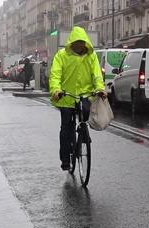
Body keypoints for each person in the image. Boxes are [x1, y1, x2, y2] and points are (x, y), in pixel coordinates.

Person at [49, 26, 106, 171]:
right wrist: (56, 90)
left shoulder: (91, 56)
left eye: (82, 42)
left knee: (85, 115)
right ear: (72, 43)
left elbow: (97, 75)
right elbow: (55, 75)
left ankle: (82, 135)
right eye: (77, 42)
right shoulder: (61, 55)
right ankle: (65, 159)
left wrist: (100, 88)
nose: (79, 45)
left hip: (84, 95)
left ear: (85, 42)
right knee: (66, 127)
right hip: (66, 96)